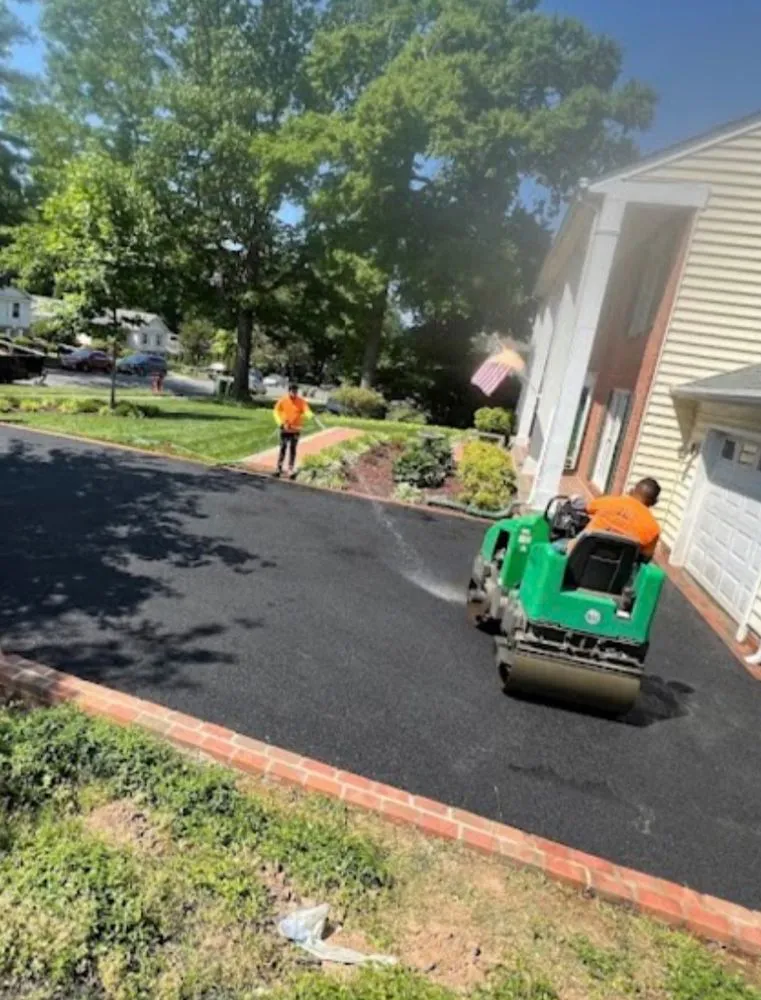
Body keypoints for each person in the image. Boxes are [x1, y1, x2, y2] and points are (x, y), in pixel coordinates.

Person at [556, 478, 662, 560]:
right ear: (654, 502)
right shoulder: (653, 528)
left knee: (553, 547)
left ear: (632, 490)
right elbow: (645, 558)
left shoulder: (609, 501)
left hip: (579, 558)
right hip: (616, 577)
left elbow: (587, 508)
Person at [273, 382, 312, 478]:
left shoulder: (301, 401)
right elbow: (276, 411)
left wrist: (310, 415)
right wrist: (280, 422)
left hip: (295, 429)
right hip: (285, 428)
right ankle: (279, 467)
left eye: (296, 391)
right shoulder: (283, 400)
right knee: (283, 447)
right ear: (289, 391)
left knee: (293, 449)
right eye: (292, 391)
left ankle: (290, 468)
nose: (294, 393)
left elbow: (306, 409)